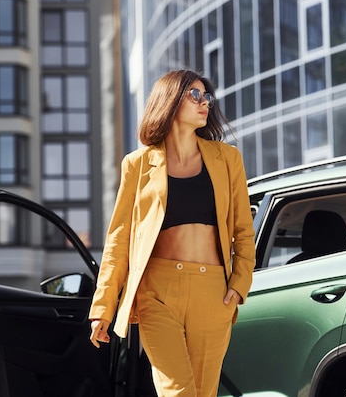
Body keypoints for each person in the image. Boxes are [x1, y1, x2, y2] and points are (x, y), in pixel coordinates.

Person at [88, 69, 256, 396]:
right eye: (194, 95)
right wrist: (103, 307)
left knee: (204, 392)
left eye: (206, 96)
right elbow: (119, 240)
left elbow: (243, 231)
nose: (204, 102)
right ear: (170, 100)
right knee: (177, 391)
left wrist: (238, 286)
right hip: (157, 291)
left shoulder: (227, 159)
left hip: (213, 290)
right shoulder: (137, 165)